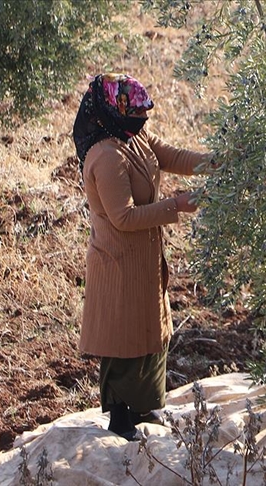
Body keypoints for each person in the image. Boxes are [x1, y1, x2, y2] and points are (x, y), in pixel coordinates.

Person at [72, 73, 215, 441]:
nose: (142, 123)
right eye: (136, 116)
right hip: (118, 260)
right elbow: (123, 216)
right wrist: (177, 205)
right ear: (113, 112)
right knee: (122, 337)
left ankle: (145, 405)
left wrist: (218, 163)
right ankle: (120, 416)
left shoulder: (133, 138)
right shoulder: (105, 155)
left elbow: (173, 156)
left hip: (144, 255)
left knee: (151, 327)